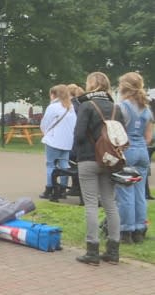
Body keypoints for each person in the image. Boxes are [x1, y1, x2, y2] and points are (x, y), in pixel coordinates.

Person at [74, 72, 123, 265]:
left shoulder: (86, 106)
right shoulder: (116, 108)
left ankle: (92, 250)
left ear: (91, 85)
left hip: (88, 159)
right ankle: (113, 250)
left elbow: (78, 135)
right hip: (110, 160)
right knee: (110, 204)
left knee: (92, 205)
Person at [116, 72, 153, 244]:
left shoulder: (122, 107)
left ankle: (126, 230)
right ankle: (140, 228)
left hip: (127, 151)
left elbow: (117, 133)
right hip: (142, 152)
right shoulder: (146, 108)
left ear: (124, 86)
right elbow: (148, 137)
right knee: (140, 193)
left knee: (125, 193)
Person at [38, 85, 77, 199]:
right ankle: (62, 189)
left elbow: (45, 123)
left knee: (51, 164)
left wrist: (46, 133)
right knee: (64, 165)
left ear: (54, 95)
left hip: (53, 140)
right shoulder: (70, 107)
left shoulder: (53, 107)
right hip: (67, 142)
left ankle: (50, 188)